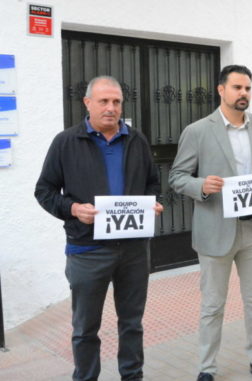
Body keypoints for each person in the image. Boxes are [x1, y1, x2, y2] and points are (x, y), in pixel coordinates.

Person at [35, 76, 163, 381]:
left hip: (133, 250)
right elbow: (45, 191)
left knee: (132, 323)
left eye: (116, 102)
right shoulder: (66, 142)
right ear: (87, 103)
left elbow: (152, 183)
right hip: (87, 251)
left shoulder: (137, 139)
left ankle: (132, 376)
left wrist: (151, 204)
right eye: (104, 101)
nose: (111, 108)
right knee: (85, 328)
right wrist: (73, 209)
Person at [168, 65, 252, 381]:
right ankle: (207, 368)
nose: (244, 93)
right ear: (221, 90)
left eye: (247, 88)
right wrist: (201, 186)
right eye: (237, 87)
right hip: (216, 230)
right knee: (212, 305)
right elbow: (177, 177)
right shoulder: (197, 130)